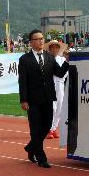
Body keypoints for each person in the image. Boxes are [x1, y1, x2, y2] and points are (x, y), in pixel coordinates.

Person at [18, 29, 69, 168]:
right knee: (35, 128)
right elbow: (22, 81)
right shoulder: (24, 59)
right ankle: (41, 157)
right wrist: (23, 100)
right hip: (33, 100)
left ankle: (31, 147)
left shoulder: (49, 57)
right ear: (31, 42)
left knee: (47, 126)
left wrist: (67, 61)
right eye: (37, 39)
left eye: (42, 38)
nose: (41, 41)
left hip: (48, 97)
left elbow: (59, 73)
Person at [44, 39, 68, 140]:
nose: (54, 49)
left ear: (59, 49)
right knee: (52, 108)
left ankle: (54, 128)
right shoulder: (46, 59)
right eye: (52, 47)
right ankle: (49, 129)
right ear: (49, 49)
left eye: (56, 47)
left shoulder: (62, 60)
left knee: (59, 108)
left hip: (60, 85)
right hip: (50, 85)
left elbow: (65, 73)